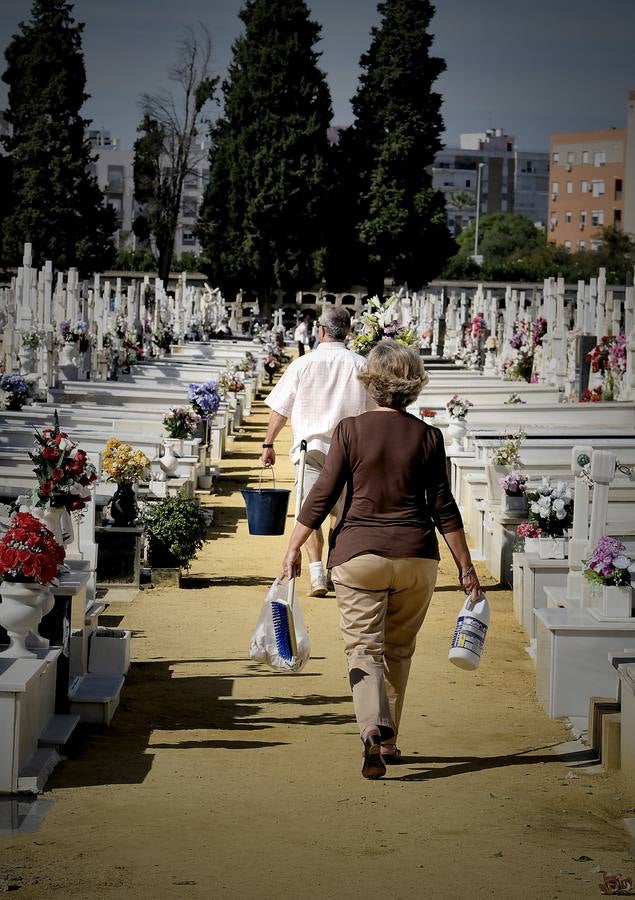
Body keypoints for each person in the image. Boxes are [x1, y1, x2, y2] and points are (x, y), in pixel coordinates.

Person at [280, 339, 481, 780]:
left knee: (363, 648)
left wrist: (294, 547)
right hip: (417, 558)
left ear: (370, 381)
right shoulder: (429, 436)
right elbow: (444, 507)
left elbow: (322, 495)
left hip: (359, 555)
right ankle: (388, 741)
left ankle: (372, 726)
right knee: (398, 649)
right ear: (413, 386)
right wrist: (466, 568)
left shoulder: (349, 431)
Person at [261, 306, 375, 596]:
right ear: (348, 332)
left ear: (320, 331)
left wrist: (268, 443)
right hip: (351, 451)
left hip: (311, 449)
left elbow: (281, 410)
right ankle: (332, 570)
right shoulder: (361, 365)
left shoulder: (303, 364)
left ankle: (315, 574)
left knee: (309, 513)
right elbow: (376, 411)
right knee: (342, 513)